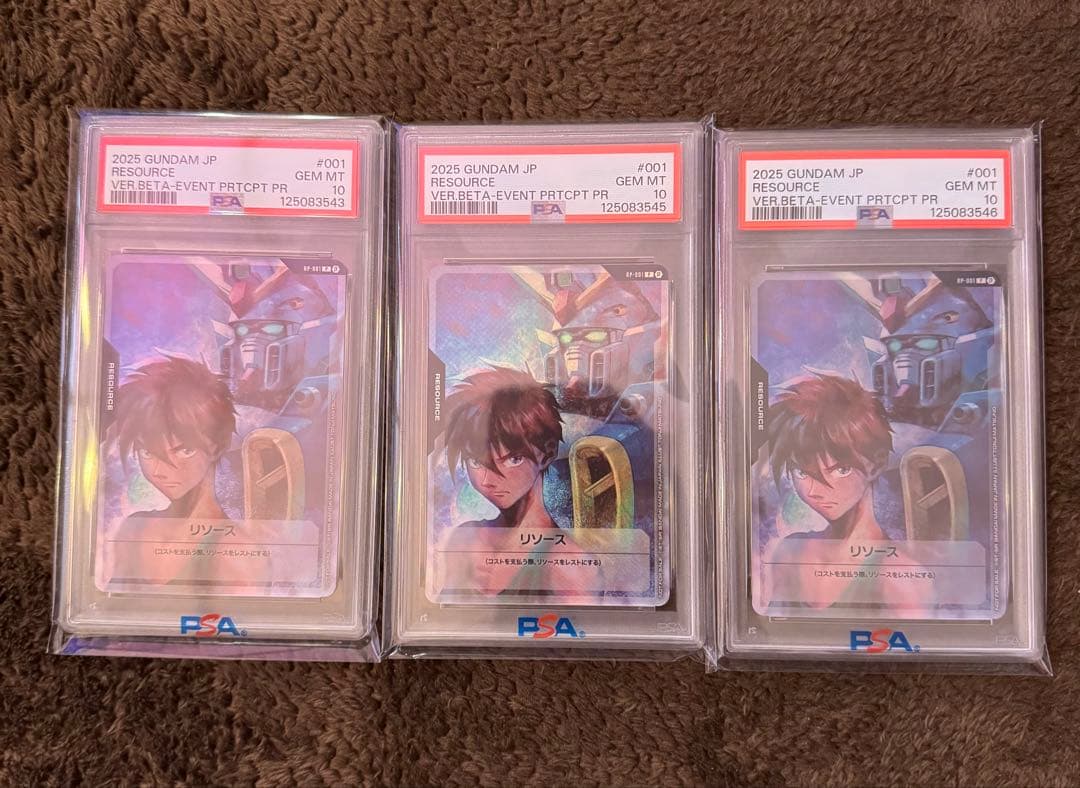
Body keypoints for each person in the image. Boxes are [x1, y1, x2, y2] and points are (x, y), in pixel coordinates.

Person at [114, 356, 236, 521]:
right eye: (147, 453)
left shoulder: (244, 535)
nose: (159, 471)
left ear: (216, 446)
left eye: (185, 450)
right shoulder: (137, 525)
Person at [444, 366, 563, 529]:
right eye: (475, 462)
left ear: (548, 453)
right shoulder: (466, 535)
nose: (487, 481)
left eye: (513, 459)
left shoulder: (568, 544)